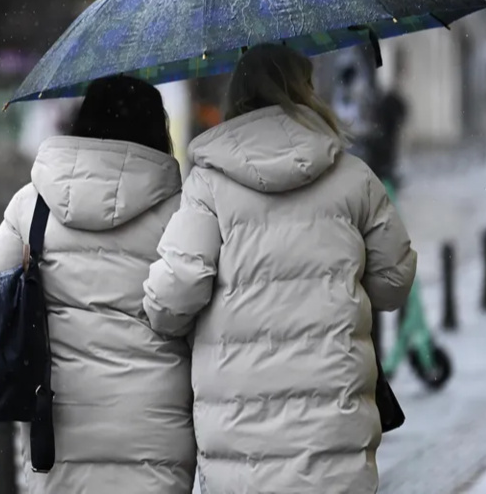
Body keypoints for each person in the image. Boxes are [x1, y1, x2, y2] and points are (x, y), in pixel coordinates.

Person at [143, 43, 417, 494]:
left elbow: (173, 298)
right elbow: (393, 283)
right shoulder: (354, 177)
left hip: (241, 441)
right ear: (305, 90)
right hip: (335, 432)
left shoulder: (207, 185)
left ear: (237, 96)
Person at [0, 76, 195, 493]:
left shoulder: (32, 205)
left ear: (83, 121)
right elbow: (190, 308)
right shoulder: (181, 211)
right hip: (153, 425)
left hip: (57, 425)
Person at [368, 62, 410, 189]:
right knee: (387, 164)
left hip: (385, 139)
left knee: (386, 164)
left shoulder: (386, 102)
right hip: (386, 139)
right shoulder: (389, 102)